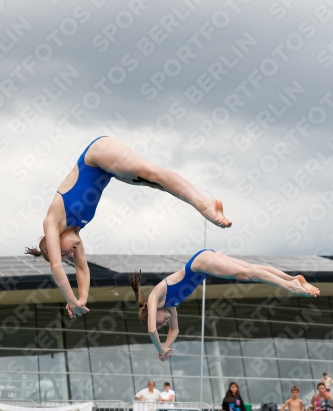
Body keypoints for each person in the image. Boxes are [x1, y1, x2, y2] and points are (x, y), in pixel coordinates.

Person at [24, 136, 232, 318]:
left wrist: (69, 300)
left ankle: (206, 205)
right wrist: (81, 300)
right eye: (68, 254)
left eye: (64, 252)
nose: (71, 253)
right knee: (156, 184)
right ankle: (205, 204)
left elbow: (56, 267)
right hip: (108, 170)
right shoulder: (77, 229)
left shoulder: (53, 220)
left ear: (55, 240)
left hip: (96, 155)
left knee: (151, 173)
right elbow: (82, 269)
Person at [129, 249, 320, 361]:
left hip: (200, 263)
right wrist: (165, 349)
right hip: (204, 260)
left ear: (151, 313)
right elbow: (175, 330)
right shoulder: (170, 304)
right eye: (163, 324)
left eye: (160, 321)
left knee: (245, 274)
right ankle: (294, 278)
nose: (163, 324)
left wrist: (159, 349)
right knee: (249, 269)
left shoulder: (155, 296)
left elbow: (152, 330)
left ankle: (290, 286)